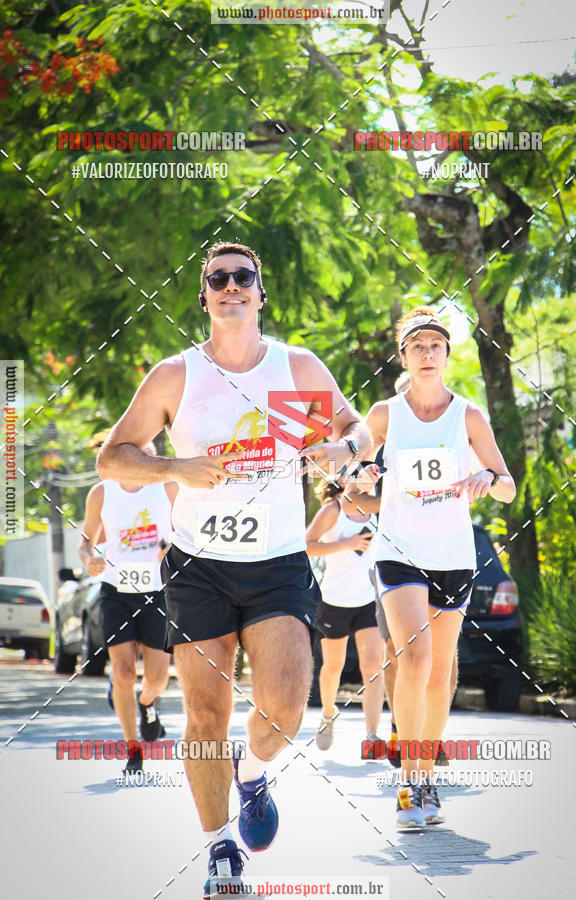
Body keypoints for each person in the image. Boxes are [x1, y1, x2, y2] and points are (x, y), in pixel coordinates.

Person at [96, 241, 371, 898]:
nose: (230, 286)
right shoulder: (175, 376)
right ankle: (221, 851)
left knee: (283, 708)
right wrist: (172, 468)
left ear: (259, 290)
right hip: (199, 568)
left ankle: (251, 771)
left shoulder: (296, 367)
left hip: (276, 565)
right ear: (204, 296)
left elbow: (361, 428)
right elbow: (113, 458)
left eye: (242, 276)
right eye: (216, 278)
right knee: (205, 712)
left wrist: (343, 446)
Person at [346, 306, 515, 828]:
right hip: (399, 552)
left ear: (446, 355)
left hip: (453, 556)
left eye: (434, 346)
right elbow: (351, 486)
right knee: (414, 660)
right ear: (403, 356)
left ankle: (425, 778)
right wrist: (364, 470)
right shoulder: (382, 415)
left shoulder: (467, 416)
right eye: (416, 346)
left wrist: (486, 478)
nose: (426, 354)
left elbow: (508, 487)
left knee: (441, 674)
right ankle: (404, 786)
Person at [79, 443, 177, 772]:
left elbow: (186, 532)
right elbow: (86, 541)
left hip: (157, 593)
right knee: (123, 673)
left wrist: (171, 551)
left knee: (157, 679)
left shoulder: (168, 487)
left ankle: (147, 703)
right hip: (115, 590)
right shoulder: (101, 493)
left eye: (147, 452)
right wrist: (89, 560)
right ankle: (133, 750)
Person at [305, 475, 384, 756]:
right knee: (333, 667)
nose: (372, 477)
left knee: (374, 667)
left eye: (376, 472)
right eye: (364, 471)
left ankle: (372, 736)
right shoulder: (333, 510)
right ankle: (328, 715)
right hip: (334, 601)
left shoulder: (379, 509)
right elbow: (308, 545)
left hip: (369, 601)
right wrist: (347, 543)